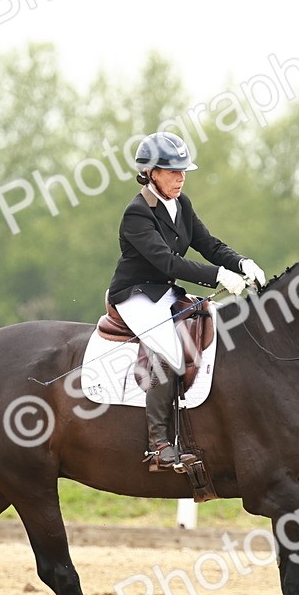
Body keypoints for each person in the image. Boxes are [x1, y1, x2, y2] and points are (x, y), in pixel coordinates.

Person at [107, 131, 266, 470]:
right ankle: (159, 445)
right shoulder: (137, 214)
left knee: (215, 326)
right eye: (172, 172)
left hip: (164, 293)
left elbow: (208, 244)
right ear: (151, 173)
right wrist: (218, 276)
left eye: (183, 171)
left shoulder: (181, 204)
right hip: (135, 295)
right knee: (169, 350)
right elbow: (167, 262)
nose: (181, 178)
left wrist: (240, 263)